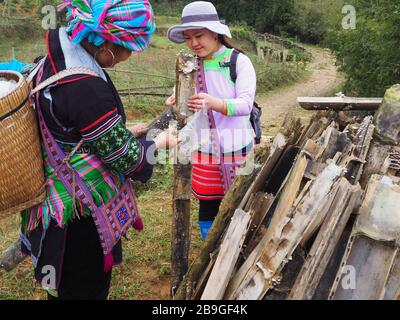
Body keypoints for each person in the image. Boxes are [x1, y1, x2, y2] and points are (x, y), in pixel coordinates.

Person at [19, 0, 177, 300]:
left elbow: (65, 128)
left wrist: (120, 132)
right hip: (77, 220)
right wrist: (160, 142)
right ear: (108, 43)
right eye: (130, 48)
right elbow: (127, 159)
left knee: (60, 287)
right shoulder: (85, 86)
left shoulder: (56, 59)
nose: (129, 56)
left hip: (52, 209)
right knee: (84, 289)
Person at [166, 1, 257, 240]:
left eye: (199, 35)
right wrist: (177, 97)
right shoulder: (191, 65)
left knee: (239, 203)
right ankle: (211, 250)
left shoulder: (238, 61)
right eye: (188, 37)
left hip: (236, 147)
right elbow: (186, 93)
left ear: (215, 32)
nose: (194, 43)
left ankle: (238, 247)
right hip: (204, 149)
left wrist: (212, 102)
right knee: (208, 205)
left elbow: (246, 104)